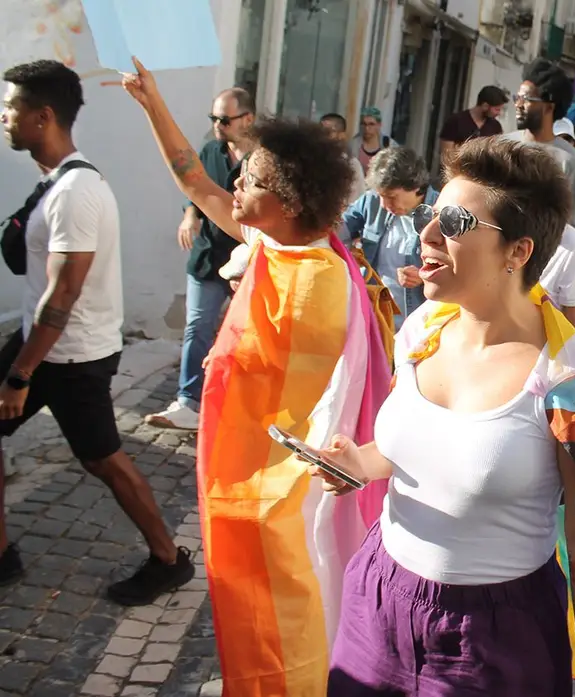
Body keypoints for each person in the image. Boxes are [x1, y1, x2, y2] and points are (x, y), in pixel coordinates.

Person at [307, 137, 575, 697]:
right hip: (378, 599)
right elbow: (415, 447)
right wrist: (359, 463)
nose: (427, 234)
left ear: (517, 252)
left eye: (455, 222)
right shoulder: (420, 331)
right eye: (432, 213)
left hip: (495, 634)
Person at [112, 57, 391, 694]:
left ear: (287, 201)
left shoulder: (319, 283)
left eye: (253, 175)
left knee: (290, 611)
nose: (235, 180)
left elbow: (331, 402)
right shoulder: (273, 244)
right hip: (248, 472)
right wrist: (152, 102)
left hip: (290, 491)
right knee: (253, 617)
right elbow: (194, 181)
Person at [0, 60, 193, 601]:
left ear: (42, 117)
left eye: (11, 108)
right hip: (44, 344)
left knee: (103, 458)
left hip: (70, 355)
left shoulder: (76, 193)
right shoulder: (58, 182)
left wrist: (20, 374)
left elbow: (64, 294)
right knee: (97, 456)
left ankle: (168, 557)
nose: (4, 117)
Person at [146, 87, 255, 430]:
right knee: (198, 327)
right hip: (209, 257)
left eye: (224, 119)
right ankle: (188, 400)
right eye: (214, 118)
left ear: (247, 119)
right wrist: (189, 215)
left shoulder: (265, 158)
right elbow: (197, 190)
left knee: (244, 337)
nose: (218, 125)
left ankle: (235, 405)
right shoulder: (210, 151)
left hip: (248, 258)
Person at [343, 146, 431, 329]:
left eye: (391, 197)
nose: (383, 205)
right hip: (371, 319)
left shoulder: (440, 212)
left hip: (415, 327)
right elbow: (337, 230)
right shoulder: (370, 201)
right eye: (380, 196)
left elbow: (460, 271)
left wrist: (426, 276)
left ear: (415, 187)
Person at [505, 59, 575, 233]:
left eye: (526, 99)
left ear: (549, 108)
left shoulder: (571, 162)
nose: (518, 104)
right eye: (517, 97)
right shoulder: (501, 146)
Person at [438, 85, 507, 163]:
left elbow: (498, 154)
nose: (499, 113)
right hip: (459, 171)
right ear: (485, 106)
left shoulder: (495, 126)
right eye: (497, 109)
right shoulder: (455, 121)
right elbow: (447, 154)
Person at [321, 112, 367, 204]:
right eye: (320, 131)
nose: (323, 135)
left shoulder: (351, 165)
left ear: (341, 135)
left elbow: (357, 200)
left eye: (328, 131)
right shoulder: (310, 159)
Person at [350, 106, 400, 175]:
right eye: (364, 124)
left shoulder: (389, 144)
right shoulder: (353, 145)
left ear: (379, 125)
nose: (367, 128)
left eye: (371, 124)